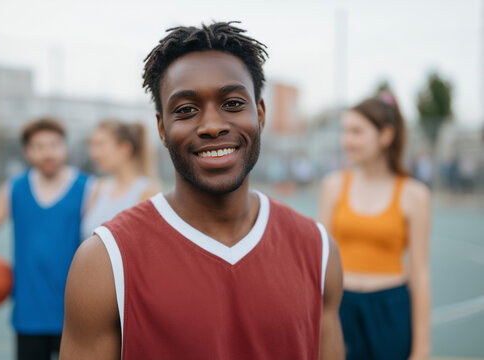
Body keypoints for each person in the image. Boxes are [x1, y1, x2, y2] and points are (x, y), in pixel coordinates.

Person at [60, 21, 344, 359]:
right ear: (162, 129)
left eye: (233, 103)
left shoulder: (317, 249)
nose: (212, 125)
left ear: (261, 114)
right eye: (186, 110)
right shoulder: (104, 261)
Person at [0, 117, 90, 360]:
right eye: (38, 146)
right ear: (27, 152)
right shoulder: (15, 188)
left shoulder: (88, 188)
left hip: (77, 313)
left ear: (64, 147)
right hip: (29, 311)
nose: (47, 152)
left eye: (53, 145)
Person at [319, 92, 431, 359]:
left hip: (390, 309)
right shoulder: (333, 186)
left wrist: (422, 349)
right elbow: (320, 261)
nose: (347, 140)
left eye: (357, 131)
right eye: (345, 131)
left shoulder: (415, 195)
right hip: (341, 309)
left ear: (386, 136)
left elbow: (419, 274)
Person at [81, 120, 159, 241]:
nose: (94, 153)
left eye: (100, 145)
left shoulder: (147, 193)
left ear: (124, 148)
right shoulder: (96, 187)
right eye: (92, 145)